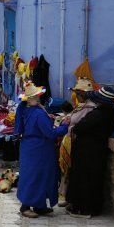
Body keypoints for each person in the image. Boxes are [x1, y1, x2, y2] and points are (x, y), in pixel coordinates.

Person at [65, 85, 114, 218]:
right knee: (95, 179)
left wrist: (73, 127)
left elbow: (80, 127)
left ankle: (84, 209)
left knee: (84, 178)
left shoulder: (97, 114)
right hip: (98, 150)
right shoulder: (111, 113)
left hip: (87, 151)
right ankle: (94, 208)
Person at [15, 83, 68, 218]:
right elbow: (50, 133)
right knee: (35, 177)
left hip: (29, 147)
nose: (39, 98)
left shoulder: (25, 109)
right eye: (38, 96)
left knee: (35, 176)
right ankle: (25, 206)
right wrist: (64, 127)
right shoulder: (38, 113)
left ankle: (39, 206)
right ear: (35, 97)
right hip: (39, 149)